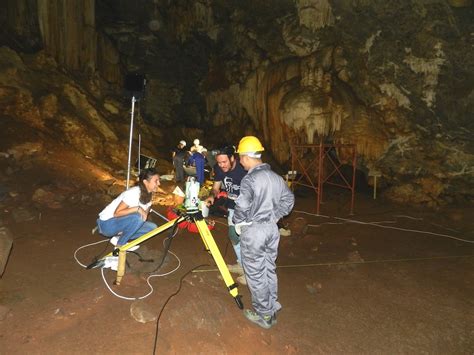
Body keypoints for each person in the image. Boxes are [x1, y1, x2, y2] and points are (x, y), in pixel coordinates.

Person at [233, 136, 294, 329]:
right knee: (268, 269)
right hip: (271, 230)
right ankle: (271, 307)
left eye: (241, 156)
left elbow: (242, 206)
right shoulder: (276, 177)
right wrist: (275, 216)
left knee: (255, 274)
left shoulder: (250, 179)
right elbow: (289, 201)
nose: (240, 161)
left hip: (255, 231)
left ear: (246, 157)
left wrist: (238, 222)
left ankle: (264, 315)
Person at [205, 145, 247, 280]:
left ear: (232, 158)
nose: (222, 165)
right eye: (219, 162)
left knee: (248, 240)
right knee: (234, 236)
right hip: (232, 207)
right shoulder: (219, 169)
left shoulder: (244, 169)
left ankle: (251, 273)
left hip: (248, 209)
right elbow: (216, 187)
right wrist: (212, 195)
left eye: (224, 162)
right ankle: (242, 264)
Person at [96, 168, 161, 250]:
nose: (159, 183)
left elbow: (145, 215)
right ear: (145, 182)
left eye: (159, 180)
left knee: (152, 228)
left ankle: (118, 238)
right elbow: (117, 213)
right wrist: (138, 208)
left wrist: (143, 213)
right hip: (107, 224)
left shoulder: (149, 195)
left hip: (120, 223)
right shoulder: (133, 193)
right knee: (138, 217)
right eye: (156, 181)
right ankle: (120, 246)